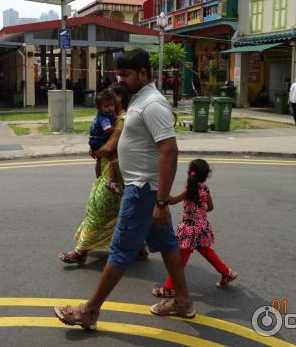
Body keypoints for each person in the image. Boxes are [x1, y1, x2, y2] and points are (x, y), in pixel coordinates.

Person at [54, 48, 194, 330]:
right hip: (145, 189)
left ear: (144, 73)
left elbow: (170, 152)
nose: (122, 80)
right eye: (119, 74)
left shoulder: (153, 104)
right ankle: (182, 301)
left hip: (143, 190)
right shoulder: (138, 99)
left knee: (120, 251)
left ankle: (89, 311)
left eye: (127, 74)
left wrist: (162, 202)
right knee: (167, 245)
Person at [58, 84, 134, 266]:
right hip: (113, 170)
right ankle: (138, 248)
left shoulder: (121, 119)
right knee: (120, 212)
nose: (109, 102)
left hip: (115, 173)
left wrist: (95, 152)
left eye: (112, 97)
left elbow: (109, 147)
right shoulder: (112, 118)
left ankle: (80, 251)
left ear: (119, 99)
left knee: (98, 211)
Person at [152, 159, 238, 298]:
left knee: (180, 259)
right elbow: (210, 207)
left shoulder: (188, 189)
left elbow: (172, 201)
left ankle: (168, 288)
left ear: (190, 173)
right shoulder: (205, 189)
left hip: (189, 229)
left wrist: (162, 195)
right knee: (207, 251)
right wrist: (200, 213)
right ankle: (227, 273)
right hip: (202, 227)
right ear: (205, 175)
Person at [87, 90, 120, 192]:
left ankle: (99, 178)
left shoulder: (106, 115)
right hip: (98, 140)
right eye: (106, 106)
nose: (109, 108)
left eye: (111, 105)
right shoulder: (104, 118)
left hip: (95, 139)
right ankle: (112, 180)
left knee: (99, 160)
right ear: (99, 108)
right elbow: (108, 130)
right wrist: (118, 130)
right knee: (112, 157)